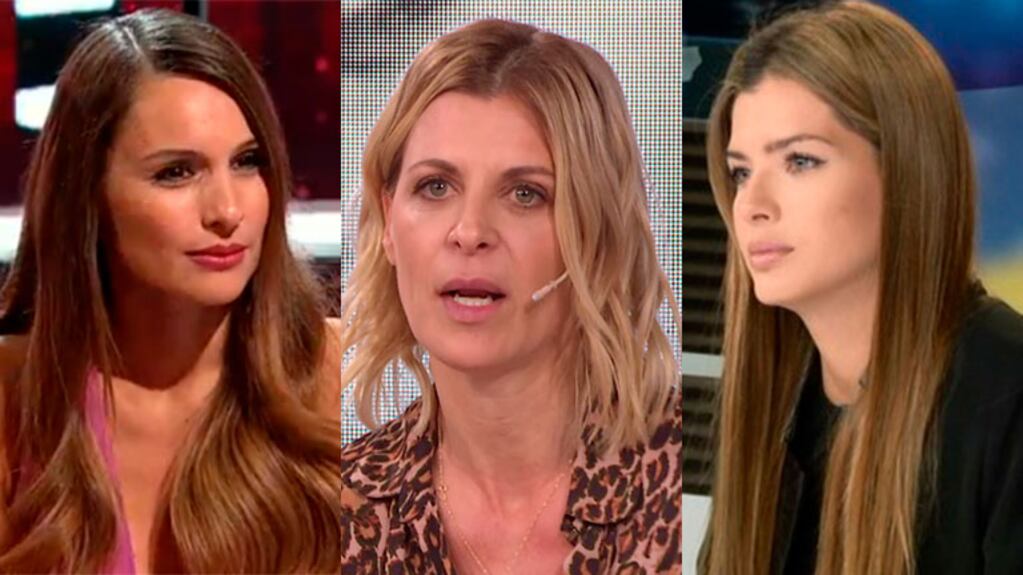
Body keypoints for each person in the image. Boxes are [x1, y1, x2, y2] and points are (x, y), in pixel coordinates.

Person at [0, 9, 343, 573]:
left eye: (247, 162)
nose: (227, 211)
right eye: (176, 173)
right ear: (86, 195)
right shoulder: (15, 400)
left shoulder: (350, 381)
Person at [339, 18, 682, 574]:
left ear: (595, 233)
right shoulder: (343, 505)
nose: (470, 231)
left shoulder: (679, 476)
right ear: (388, 222)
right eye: (435, 186)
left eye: (525, 194)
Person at [700, 2, 1023, 574]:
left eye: (800, 161)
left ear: (907, 169)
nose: (751, 205)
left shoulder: (1007, 395)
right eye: (741, 172)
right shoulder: (773, 397)